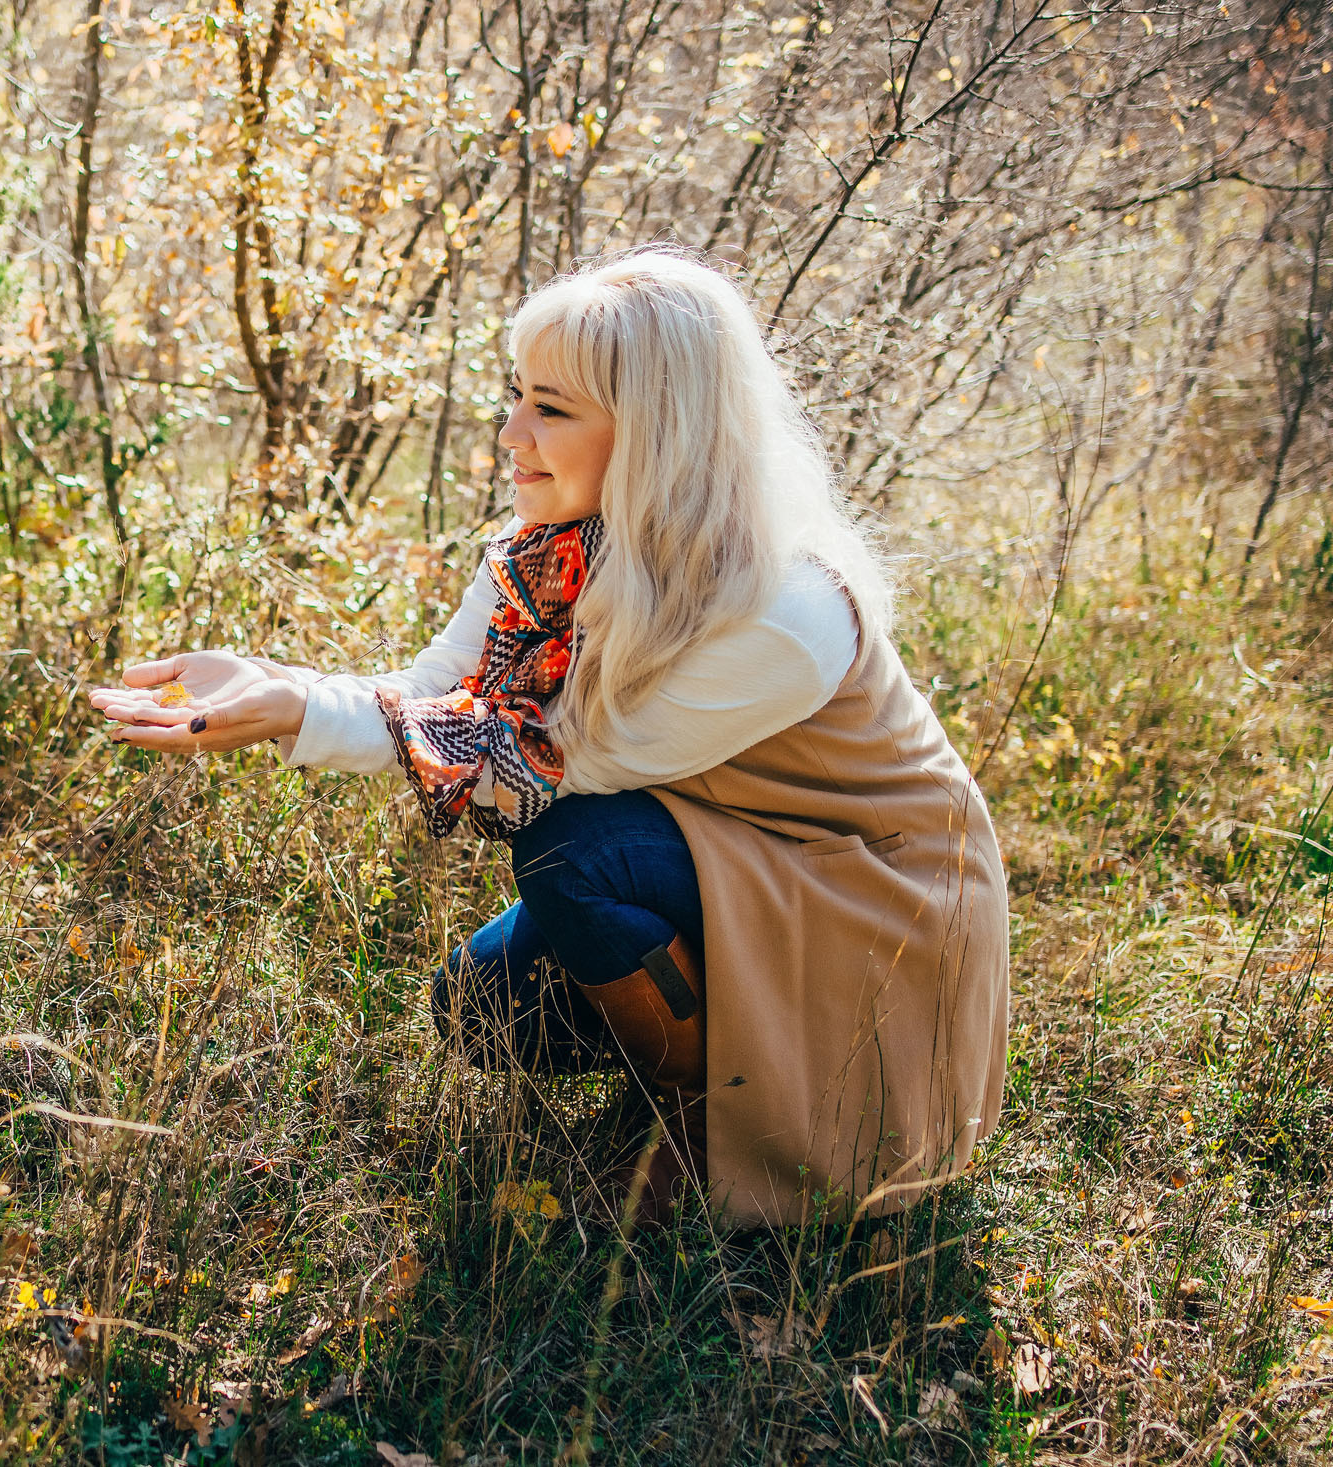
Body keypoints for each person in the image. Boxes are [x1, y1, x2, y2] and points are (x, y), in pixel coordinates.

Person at [90, 248, 1008, 1227]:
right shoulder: (552, 547)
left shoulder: (785, 609)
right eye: (516, 396)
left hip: (860, 894)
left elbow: (558, 762)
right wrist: (278, 688)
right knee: (481, 1004)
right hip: (716, 852)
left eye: (552, 410)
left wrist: (303, 717)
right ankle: (695, 1041)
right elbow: (436, 698)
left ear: (662, 430)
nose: (509, 435)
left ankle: (705, 1121)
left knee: (566, 849)